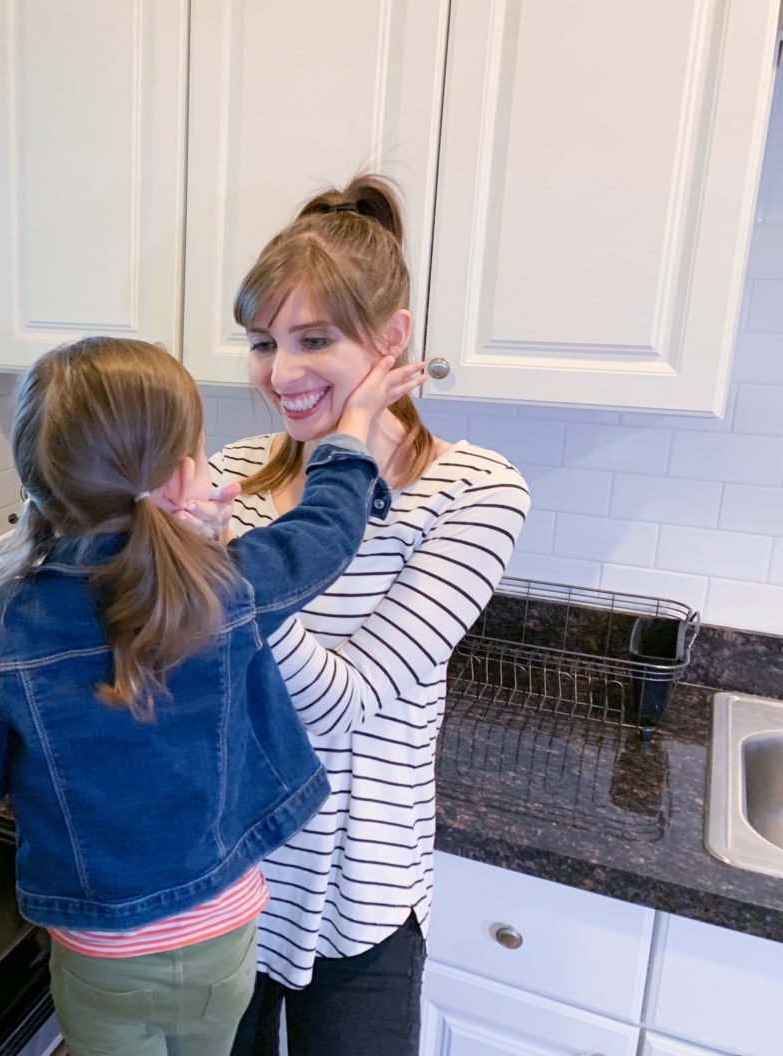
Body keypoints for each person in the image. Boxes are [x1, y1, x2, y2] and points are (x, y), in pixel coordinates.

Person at [0, 335, 424, 1056]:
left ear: (35, 474)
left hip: (100, 950)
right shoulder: (227, 585)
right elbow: (326, 531)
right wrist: (352, 430)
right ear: (181, 472)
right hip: (224, 941)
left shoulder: (3, 624)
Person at [216, 175, 530, 1056]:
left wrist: (234, 576)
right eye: (262, 342)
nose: (280, 374)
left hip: (362, 896)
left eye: (314, 339)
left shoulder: (476, 492)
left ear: (392, 340)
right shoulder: (234, 472)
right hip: (223, 875)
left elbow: (343, 706)